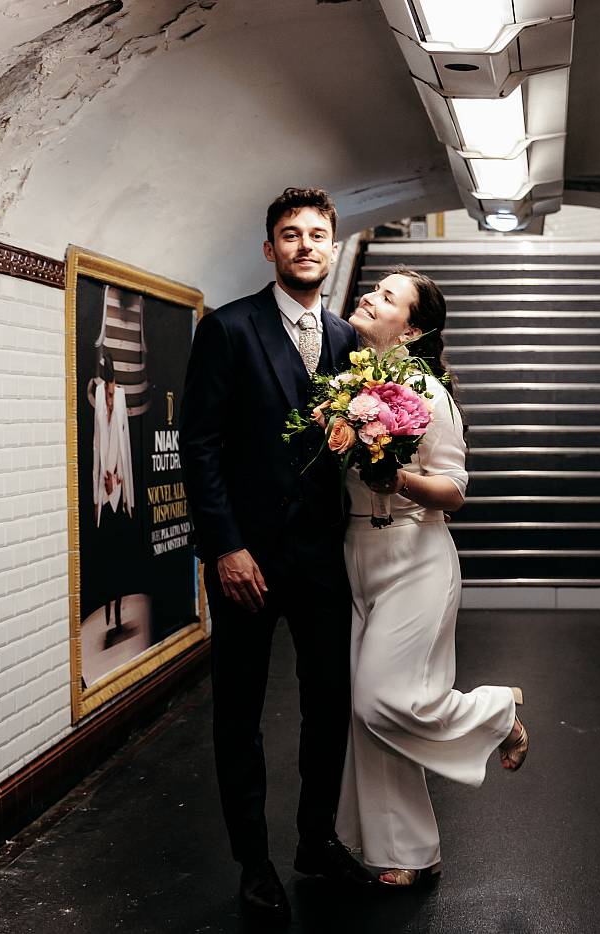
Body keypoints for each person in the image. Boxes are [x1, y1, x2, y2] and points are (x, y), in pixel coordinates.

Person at [179, 187, 368, 919]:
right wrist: (224, 547)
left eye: (317, 234)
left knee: (329, 705)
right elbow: (199, 448)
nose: (304, 246)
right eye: (290, 235)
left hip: (323, 558)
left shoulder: (350, 341)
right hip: (246, 561)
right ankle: (252, 861)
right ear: (270, 250)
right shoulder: (228, 329)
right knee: (240, 712)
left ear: (334, 246)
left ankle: (314, 842)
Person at [335, 267, 528, 889]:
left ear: (413, 327)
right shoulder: (346, 382)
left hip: (416, 557)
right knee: (365, 715)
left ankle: (497, 714)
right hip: (356, 555)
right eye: (373, 289)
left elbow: (455, 490)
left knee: (383, 698)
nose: (368, 296)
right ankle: (404, 851)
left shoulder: (427, 391)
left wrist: (399, 480)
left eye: (387, 297)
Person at [92, 351, 136, 637]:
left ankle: (118, 615)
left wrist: (118, 480)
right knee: (105, 560)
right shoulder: (99, 405)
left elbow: (124, 446)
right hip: (104, 493)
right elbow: (98, 445)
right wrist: (102, 483)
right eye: (106, 393)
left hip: (118, 493)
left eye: (111, 393)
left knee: (120, 560)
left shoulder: (120, 401)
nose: (109, 398)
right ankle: (108, 610)